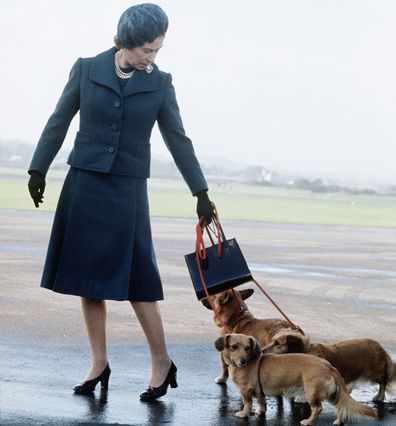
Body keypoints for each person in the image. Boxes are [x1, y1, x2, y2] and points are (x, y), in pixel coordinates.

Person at [27, 3, 214, 401]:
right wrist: (37, 168)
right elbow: (58, 119)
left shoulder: (161, 83)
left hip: (128, 190)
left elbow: (178, 139)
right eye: (147, 49)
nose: (152, 57)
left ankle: (162, 361)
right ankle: (99, 362)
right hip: (85, 183)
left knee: (138, 281)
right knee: (86, 279)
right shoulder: (86, 68)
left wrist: (201, 191)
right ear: (123, 42)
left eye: (157, 50)